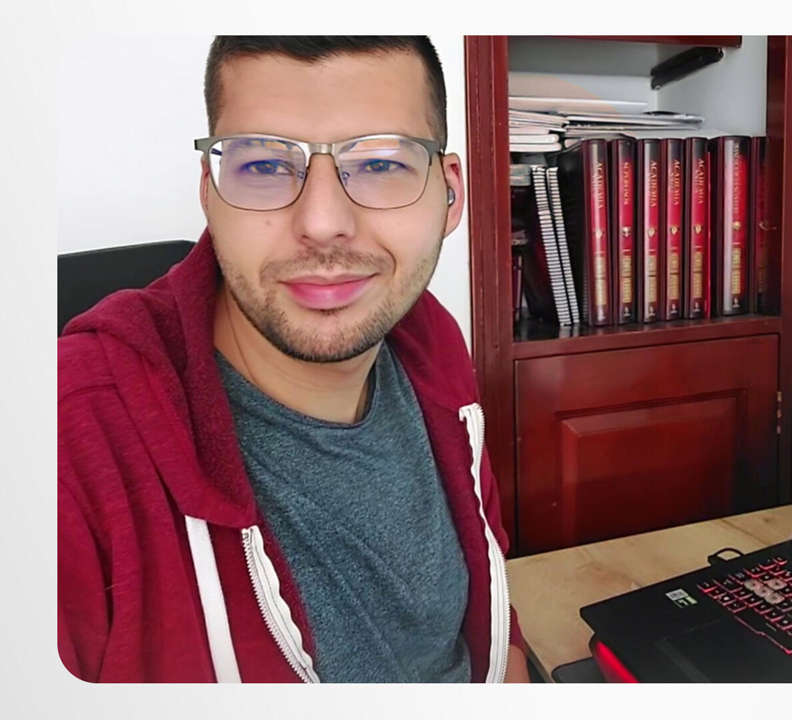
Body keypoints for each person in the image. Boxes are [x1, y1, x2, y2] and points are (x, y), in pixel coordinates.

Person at [57, 36, 529, 683]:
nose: (323, 222)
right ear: (210, 191)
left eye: (381, 162)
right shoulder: (66, 441)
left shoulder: (430, 340)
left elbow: (489, 612)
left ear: (448, 194)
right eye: (263, 165)